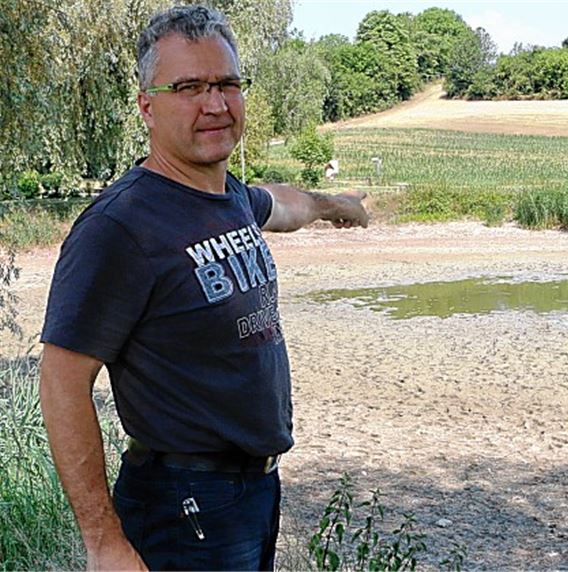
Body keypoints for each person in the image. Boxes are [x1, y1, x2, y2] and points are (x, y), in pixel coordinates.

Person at [37, 5, 368, 571]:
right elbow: (62, 382)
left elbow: (281, 204)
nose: (215, 104)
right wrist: (104, 542)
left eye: (227, 84)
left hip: (253, 491)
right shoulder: (121, 227)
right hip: (182, 503)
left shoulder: (228, 196)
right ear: (147, 105)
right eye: (189, 86)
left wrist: (335, 206)